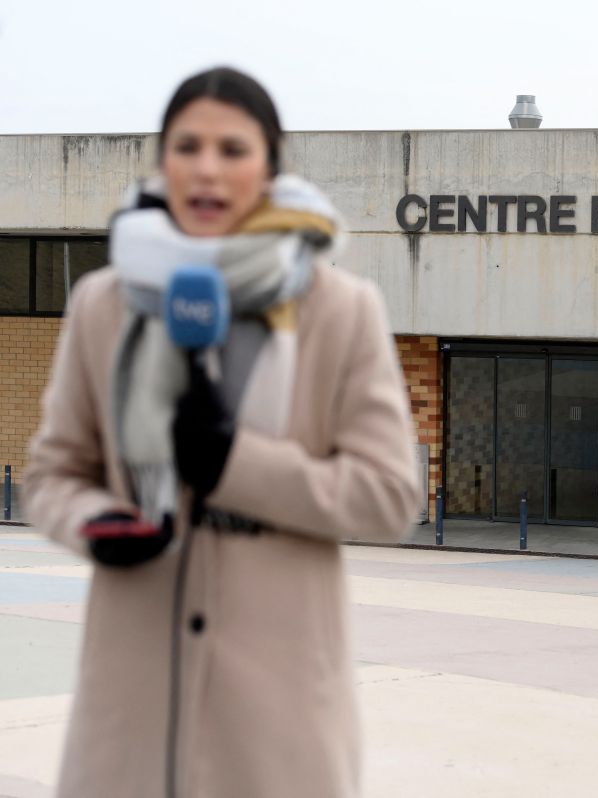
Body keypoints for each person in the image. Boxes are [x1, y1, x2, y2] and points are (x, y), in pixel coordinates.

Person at [25, 66, 422, 798]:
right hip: (132, 717)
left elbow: (391, 495)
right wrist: (94, 521)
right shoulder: (103, 302)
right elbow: (52, 475)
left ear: (269, 168)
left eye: (233, 149)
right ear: (163, 159)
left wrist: (230, 461)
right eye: (188, 146)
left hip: (278, 724)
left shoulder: (341, 309)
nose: (207, 167)